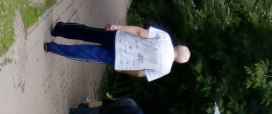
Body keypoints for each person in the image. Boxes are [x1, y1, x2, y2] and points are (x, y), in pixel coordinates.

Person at [45, 22, 190, 82]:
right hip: (120, 59)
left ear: (178, 46)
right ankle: (52, 47)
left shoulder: (165, 38)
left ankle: (59, 28)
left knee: (88, 33)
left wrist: (118, 26)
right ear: (178, 61)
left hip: (119, 38)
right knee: (85, 53)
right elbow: (140, 73)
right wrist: (123, 70)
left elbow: (140, 33)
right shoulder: (165, 69)